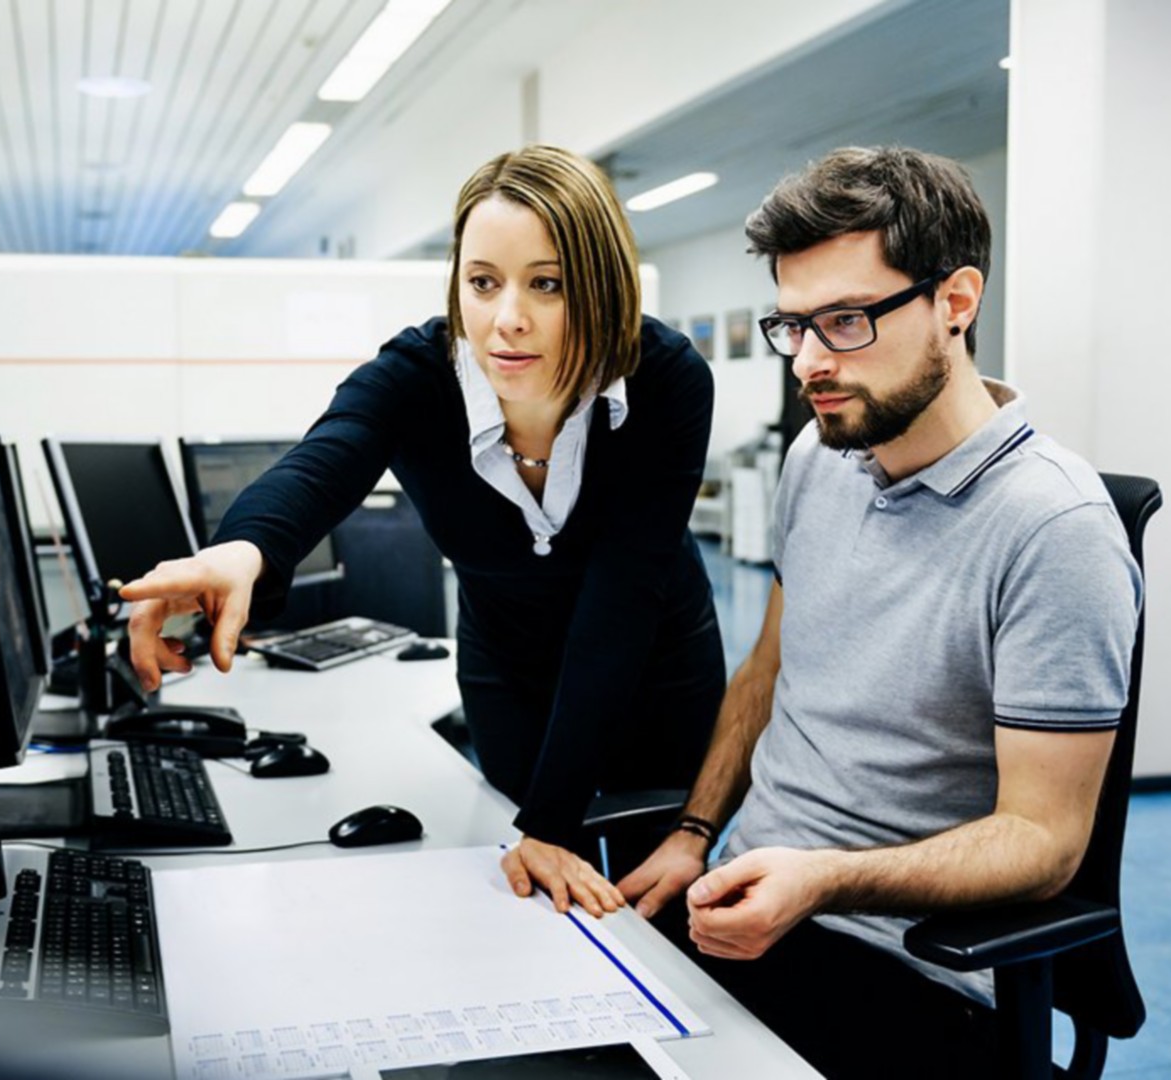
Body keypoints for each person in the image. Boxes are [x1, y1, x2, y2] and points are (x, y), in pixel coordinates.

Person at [615, 146, 1143, 1078]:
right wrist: (696, 834)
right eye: (794, 326)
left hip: (910, 970)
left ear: (957, 301)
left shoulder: (1054, 527)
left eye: (847, 321)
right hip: (748, 913)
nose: (811, 363)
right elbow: (770, 673)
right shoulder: (821, 460)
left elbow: (1045, 843)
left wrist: (820, 879)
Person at [119, 145, 726, 917]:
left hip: (651, 663)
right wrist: (242, 551)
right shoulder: (417, 376)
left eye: (548, 284)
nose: (506, 318)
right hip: (506, 664)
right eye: (483, 282)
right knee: (532, 895)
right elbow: (324, 460)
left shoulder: (666, 380)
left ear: (601, 284)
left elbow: (622, 600)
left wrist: (553, 819)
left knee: (651, 902)